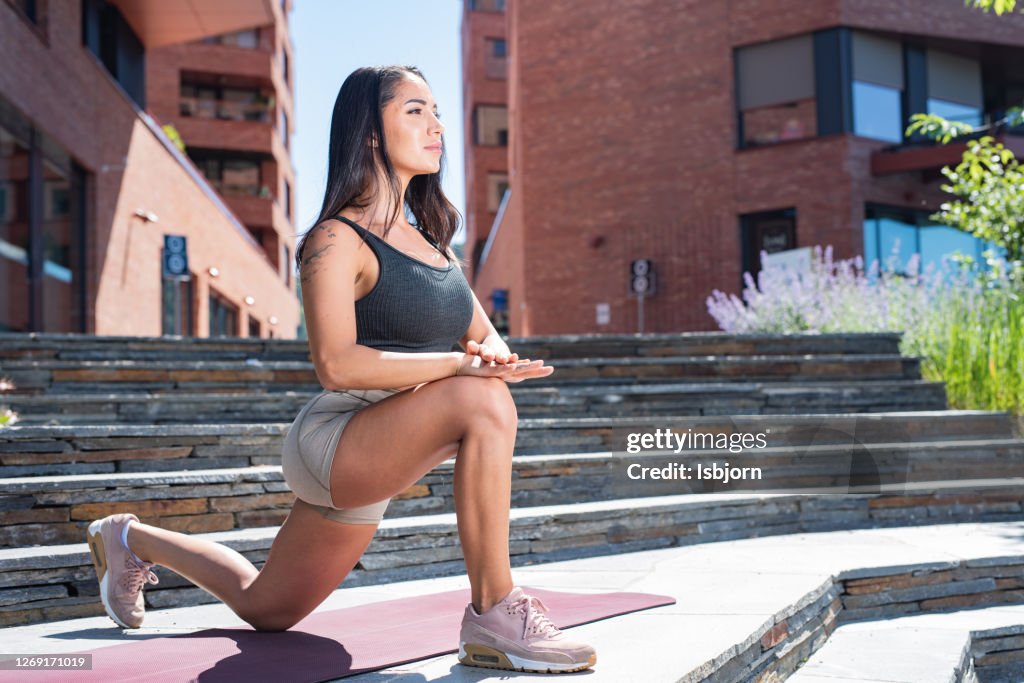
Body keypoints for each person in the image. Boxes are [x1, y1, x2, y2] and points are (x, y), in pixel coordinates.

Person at [85, 65, 597, 674]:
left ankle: (125, 538)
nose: (436, 126)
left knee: (267, 609)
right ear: (371, 132)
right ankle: (494, 614)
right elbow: (336, 364)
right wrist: (465, 368)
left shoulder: (435, 246)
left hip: (390, 436)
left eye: (437, 112)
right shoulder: (335, 239)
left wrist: (495, 356)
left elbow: (483, 337)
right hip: (339, 438)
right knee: (482, 401)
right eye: (416, 111)